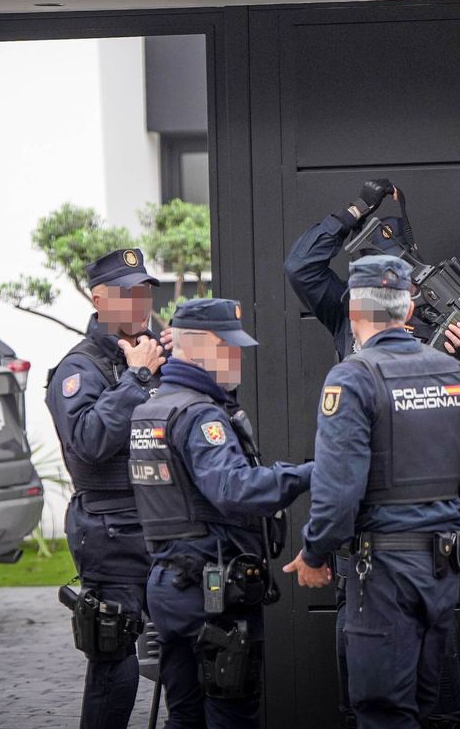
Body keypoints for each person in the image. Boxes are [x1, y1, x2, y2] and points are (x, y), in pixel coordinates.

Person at [283, 178, 460, 729]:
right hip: (429, 552)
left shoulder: (435, 341)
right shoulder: (357, 329)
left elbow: (338, 486)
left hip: (380, 552)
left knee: (392, 708)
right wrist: (355, 208)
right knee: (388, 702)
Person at [128, 298, 314, 729]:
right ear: (197, 346)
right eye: (227, 346)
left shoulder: (151, 409)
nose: (237, 357)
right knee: (231, 717)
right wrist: (308, 474)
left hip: (169, 585)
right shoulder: (199, 414)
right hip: (210, 591)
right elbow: (233, 489)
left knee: (185, 715)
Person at [44, 247, 170, 729]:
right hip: (112, 530)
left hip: (167, 524)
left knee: (189, 656)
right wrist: (138, 377)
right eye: (125, 294)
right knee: (115, 662)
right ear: (99, 300)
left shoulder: (160, 353)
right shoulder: (80, 368)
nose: (139, 304)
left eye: (143, 293)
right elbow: (89, 441)